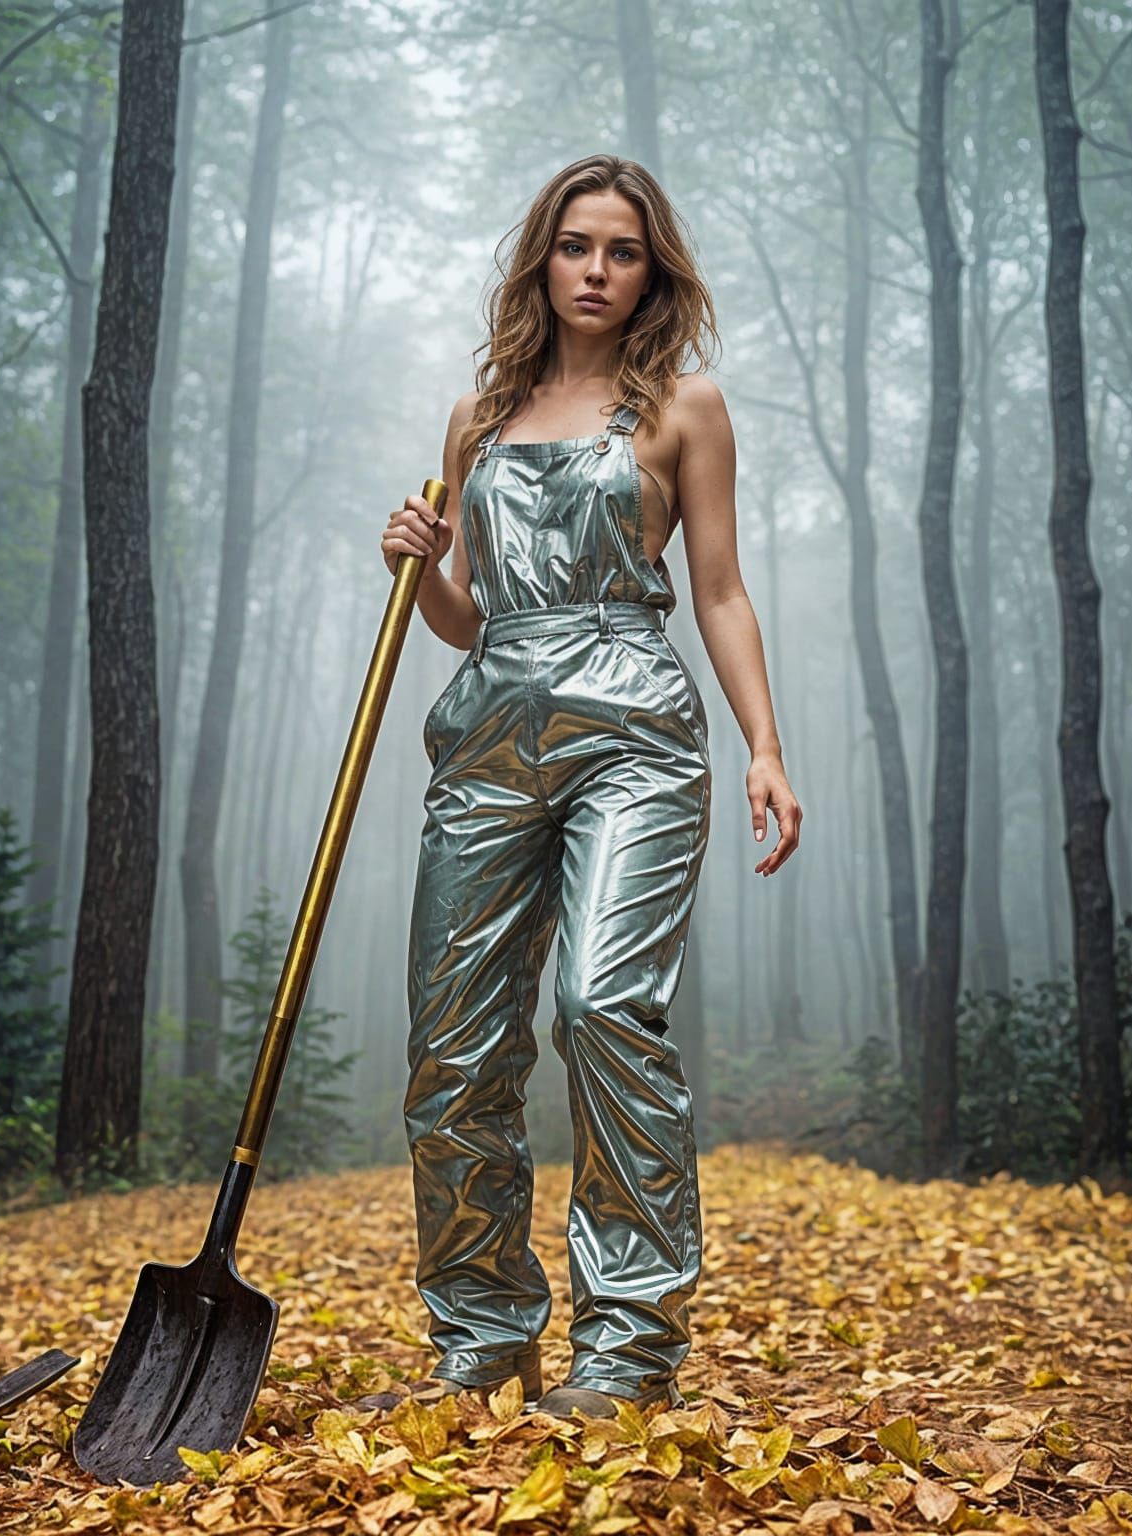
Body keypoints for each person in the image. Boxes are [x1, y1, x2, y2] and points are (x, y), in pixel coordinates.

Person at [366, 153, 801, 1420]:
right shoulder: (478, 416)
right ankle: (482, 1339)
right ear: (541, 262)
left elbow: (719, 590)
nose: (596, 271)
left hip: (636, 733)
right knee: (452, 1044)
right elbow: (470, 618)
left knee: (606, 1006)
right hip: (490, 731)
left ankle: (628, 1349)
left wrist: (765, 745)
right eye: (574, 246)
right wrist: (416, 565)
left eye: (622, 250)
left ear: (652, 271)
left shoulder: (684, 407)